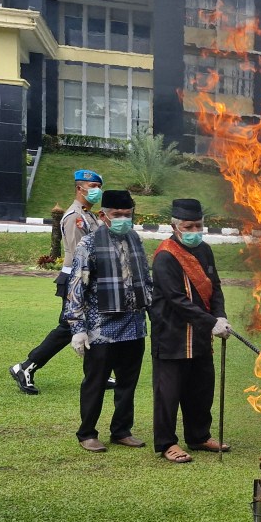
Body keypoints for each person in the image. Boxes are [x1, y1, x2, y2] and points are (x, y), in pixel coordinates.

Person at [10, 170, 113, 394]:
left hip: (88, 279)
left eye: (98, 186)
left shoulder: (90, 215)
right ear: (79, 188)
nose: (97, 190)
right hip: (76, 280)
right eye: (92, 186)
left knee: (93, 325)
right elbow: (81, 256)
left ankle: (99, 374)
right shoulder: (75, 217)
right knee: (69, 327)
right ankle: (26, 367)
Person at [64, 190, 152, 452]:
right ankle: (87, 433)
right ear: (104, 216)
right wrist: (78, 330)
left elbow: (146, 281)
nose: (123, 219)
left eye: (128, 215)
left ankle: (121, 430)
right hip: (101, 329)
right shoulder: (88, 244)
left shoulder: (135, 240)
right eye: (117, 215)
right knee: (96, 382)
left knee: (128, 382)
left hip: (134, 326)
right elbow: (76, 287)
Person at [150, 199, 233, 464]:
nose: (195, 230)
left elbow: (215, 287)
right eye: (189, 226)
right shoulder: (165, 256)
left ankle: (198, 436)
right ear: (175, 227)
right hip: (172, 334)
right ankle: (166, 443)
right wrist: (211, 323)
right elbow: (176, 300)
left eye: (199, 225)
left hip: (199, 335)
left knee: (201, 388)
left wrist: (219, 315)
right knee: (168, 393)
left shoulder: (205, 250)